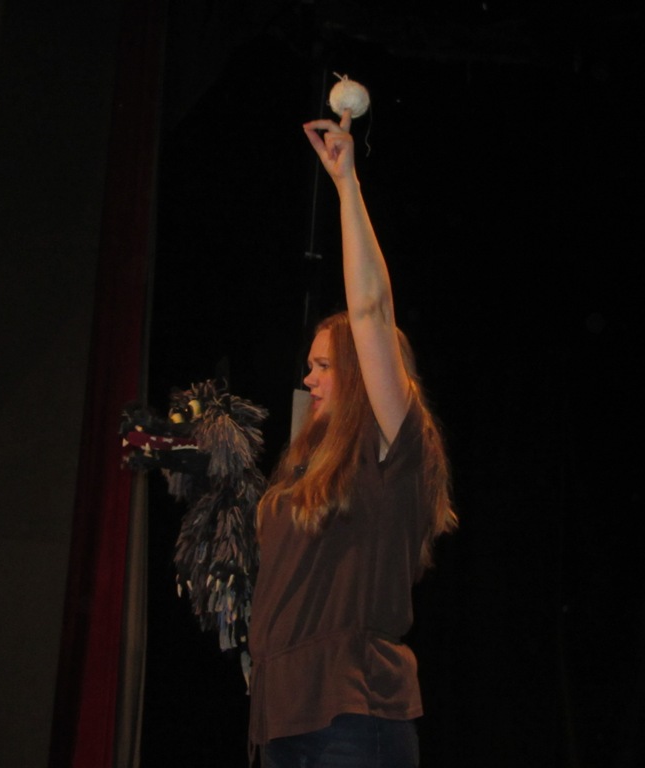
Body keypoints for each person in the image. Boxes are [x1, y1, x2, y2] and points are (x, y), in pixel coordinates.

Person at [246, 108, 458, 768]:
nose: (308, 379)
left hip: (351, 716)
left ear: (363, 375)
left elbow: (370, 310)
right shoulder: (306, 470)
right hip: (283, 719)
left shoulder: (392, 451)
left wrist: (346, 184)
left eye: (323, 366)